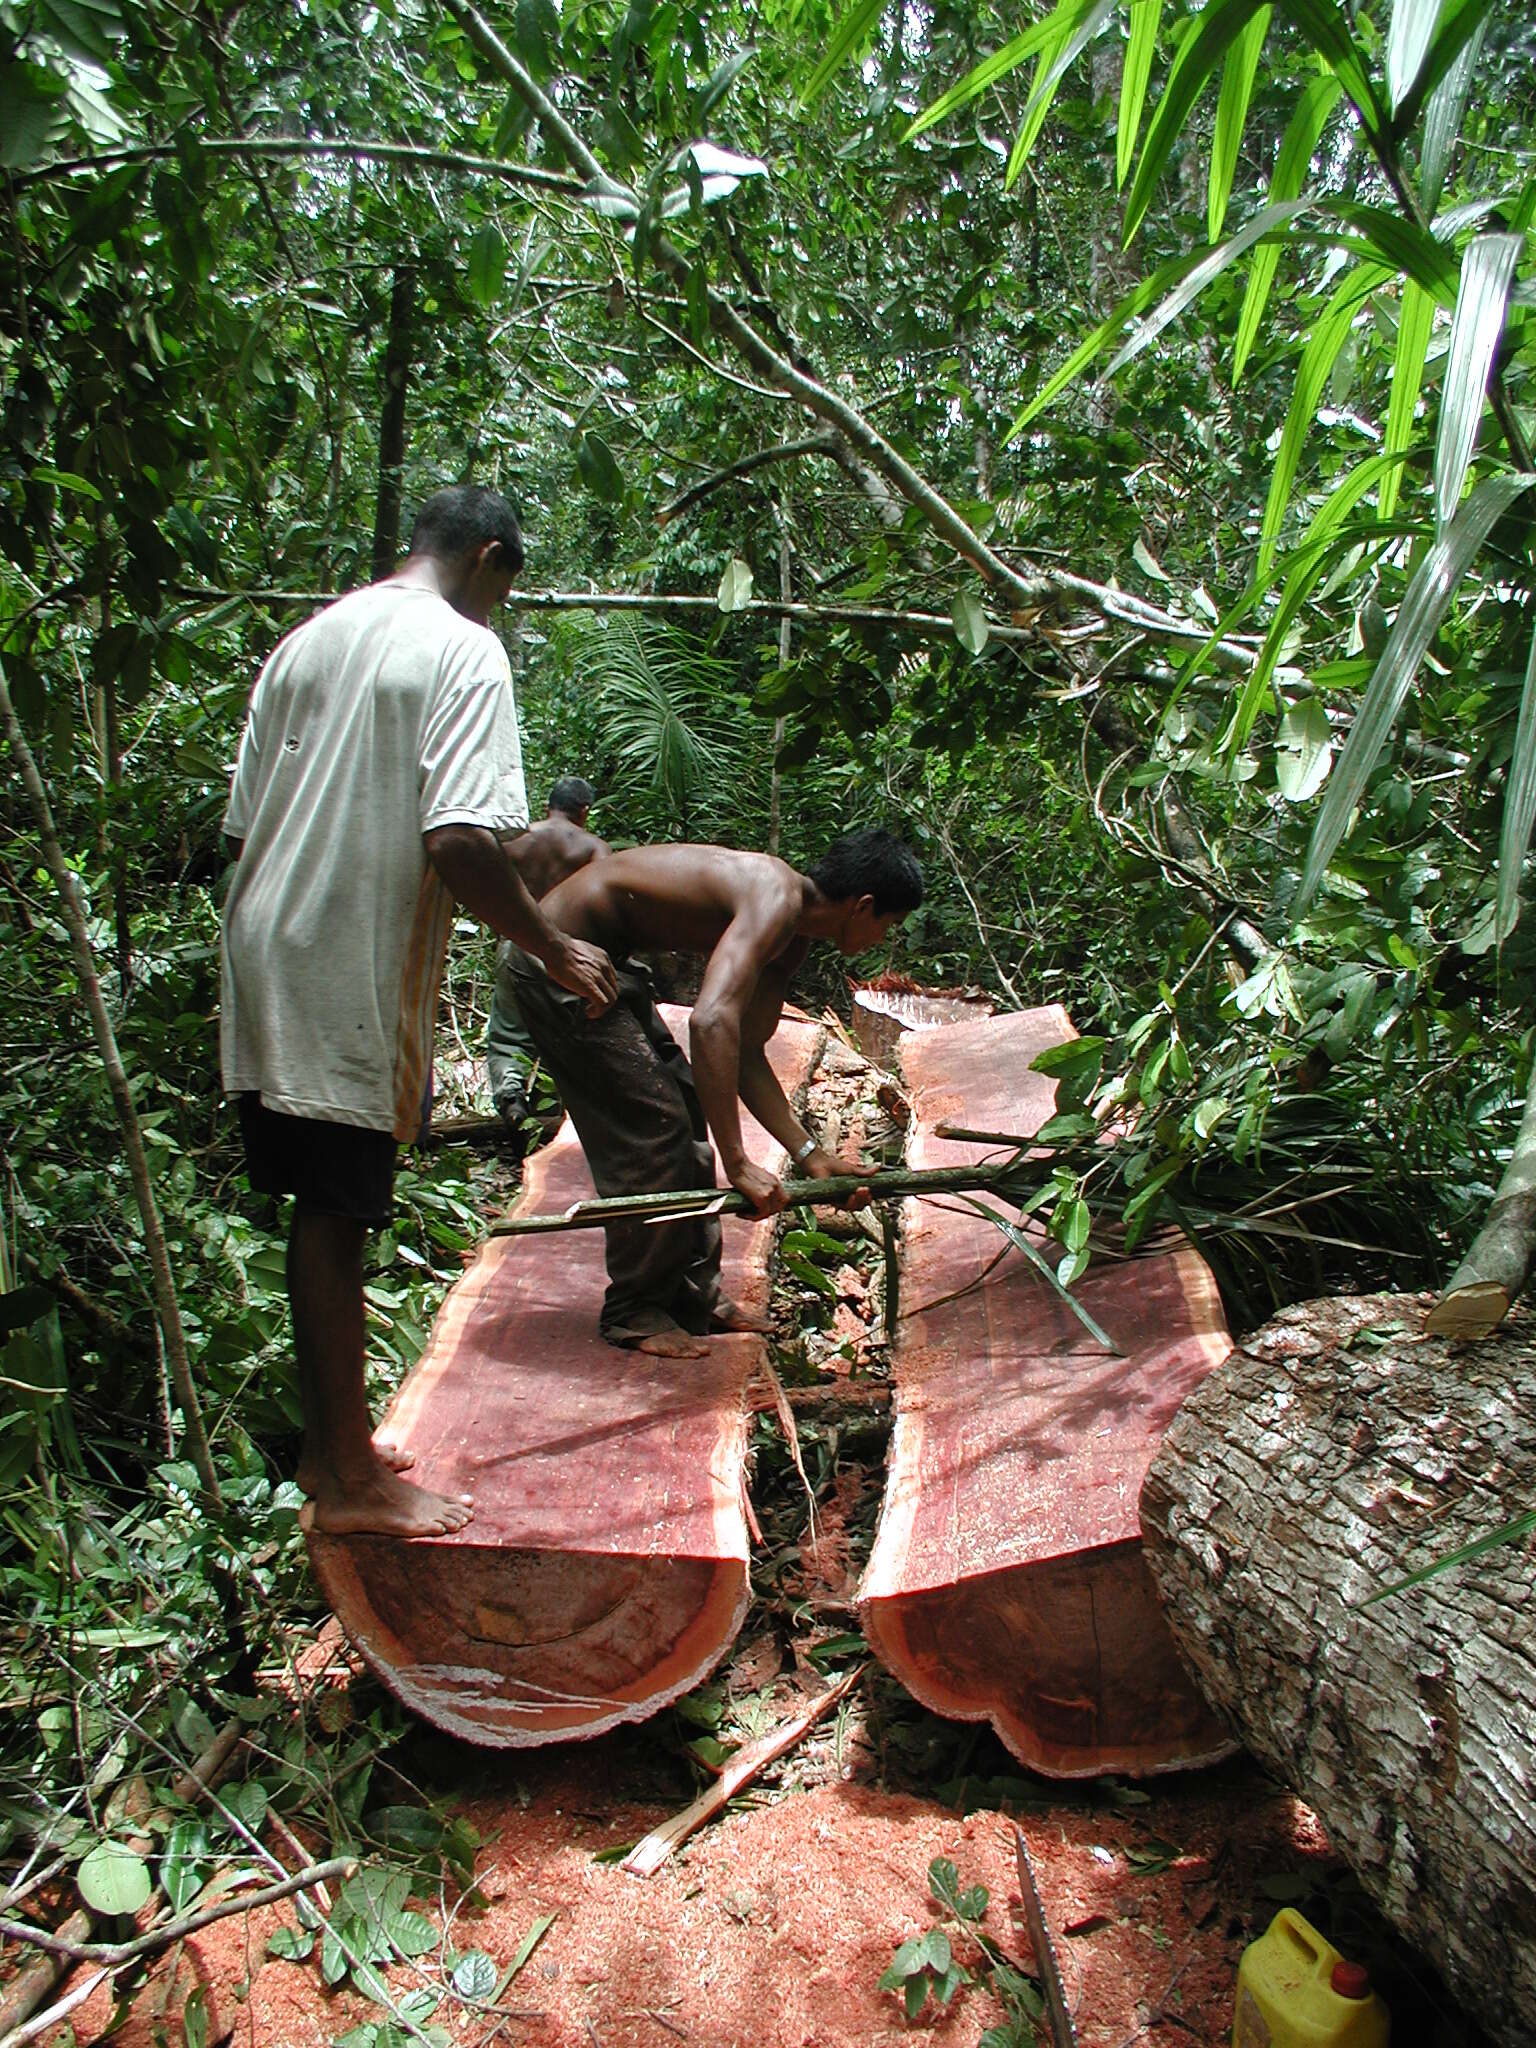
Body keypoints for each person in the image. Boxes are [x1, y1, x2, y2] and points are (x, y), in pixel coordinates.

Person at [220, 485, 618, 1539]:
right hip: (342, 952)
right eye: (505, 586)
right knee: (341, 1209)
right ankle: (349, 1481)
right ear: (491, 558)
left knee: (323, 1196)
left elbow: (243, 823)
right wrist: (550, 944)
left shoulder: (308, 640)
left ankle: (330, 1444)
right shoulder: (462, 647)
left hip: (264, 934)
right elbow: (458, 839)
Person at [506, 829, 923, 1358]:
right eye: (887, 926)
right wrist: (738, 1162)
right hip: (554, 961)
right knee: (656, 1126)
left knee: (683, 1105)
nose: (882, 940)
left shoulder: (792, 939)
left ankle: (691, 1299)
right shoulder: (775, 894)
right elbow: (709, 1021)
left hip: (606, 964)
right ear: (863, 907)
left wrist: (811, 1156)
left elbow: (746, 1052)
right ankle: (634, 1310)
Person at [485, 776, 609, 1134]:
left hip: (517, 941)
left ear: (548, 806)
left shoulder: (517, 841)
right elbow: (604, 905)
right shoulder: (594, 849)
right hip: (567, 950)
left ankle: (511, 1097)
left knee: (509, 1030)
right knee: (566, 1026)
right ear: (584, 811)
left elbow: (491, 885)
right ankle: (550, 1103)